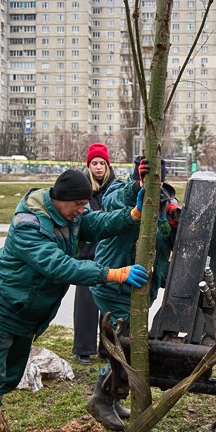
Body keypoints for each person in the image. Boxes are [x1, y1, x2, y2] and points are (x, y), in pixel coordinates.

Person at [0, 168, 149, 432]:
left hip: (25, 315)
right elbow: (58, 265)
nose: (82, 210)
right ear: (62, 198)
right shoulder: (29, 224)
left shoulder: (67, 216)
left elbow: (98, 223)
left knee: (7, 378)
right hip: (1, 309)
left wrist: (132, 216)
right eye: (79, 204)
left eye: (85, 205)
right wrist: (112, 273)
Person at [86, 156, 181, 431]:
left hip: (142, 288)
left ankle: (113, 398)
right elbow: (111, 204)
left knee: (125, 343)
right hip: (114, 282)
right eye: (150, 178)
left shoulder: (165, 201)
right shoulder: (121, 190)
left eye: (157, 179)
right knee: (123, 344)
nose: (155, 184)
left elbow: (168, 244)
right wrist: (136, 187)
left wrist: (176, 225)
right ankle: (101, 399)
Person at [72, 142, 120, 365]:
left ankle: (107, 347)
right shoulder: (83, 188)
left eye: (102, 163)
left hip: (110, 253)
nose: (98, 167)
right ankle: (83, 348)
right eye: (94, 163)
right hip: (87, 254)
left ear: (107, 165)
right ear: (89, 165)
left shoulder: (116, 188)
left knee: (108, 303)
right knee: (85, 304)